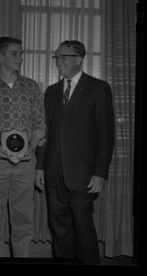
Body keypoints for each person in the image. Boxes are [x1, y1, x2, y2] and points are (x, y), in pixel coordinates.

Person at [35, 40, 115, 264]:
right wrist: (40, 166)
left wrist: (100, 173)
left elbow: (106, 135)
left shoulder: (98, 88)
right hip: (54, 171)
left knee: (82, 227)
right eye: (56, 57)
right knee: (59, 228)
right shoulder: (51, 92)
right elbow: (46, 132)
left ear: (79, 59)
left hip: (84, 175)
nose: (58, 62)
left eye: (63, 57)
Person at [0, 36, 46, 257]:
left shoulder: (32, 87)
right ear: (0, 57)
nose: (20, 58)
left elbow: (39, 123)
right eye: (15, 53)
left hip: (25, 161)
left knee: (23, 218)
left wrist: (31, 148)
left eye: (21, 53)